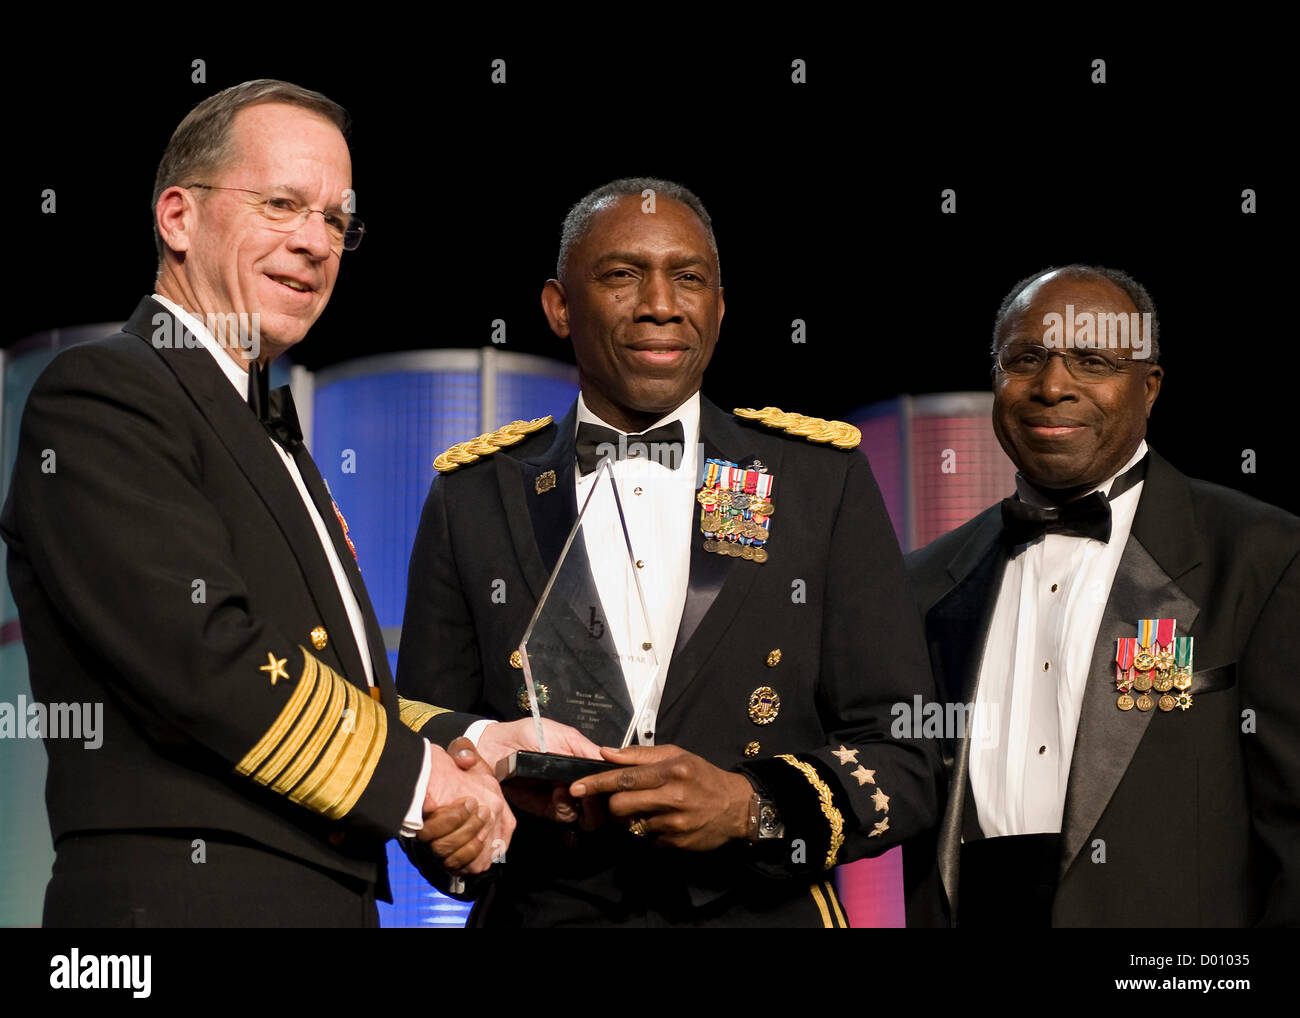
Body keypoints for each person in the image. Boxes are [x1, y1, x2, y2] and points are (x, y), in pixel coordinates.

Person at [1, 79, 512, 927]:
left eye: (338, 221)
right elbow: (204, 655)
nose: (315, 243)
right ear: (176, 218)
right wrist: (428, 784)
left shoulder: (267, 430)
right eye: (281, 204)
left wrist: (483, 745)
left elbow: (334, 683)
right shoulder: (103, 393)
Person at [397, 177, 941, 927]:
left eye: (689, 278)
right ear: (558, 307)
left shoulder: (818, 479)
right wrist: (460, 833)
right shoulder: (472, 494)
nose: (661, 303)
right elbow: (423, 727)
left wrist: (750, 807)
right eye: (622, 275)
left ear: (720, 307)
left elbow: (906, 756)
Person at [903, 265, 1300, 927]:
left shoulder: (1263, 557)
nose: (1053, 386)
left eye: (1092, 360)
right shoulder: (922, 581)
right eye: (1025, 359)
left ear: (1149, 388)